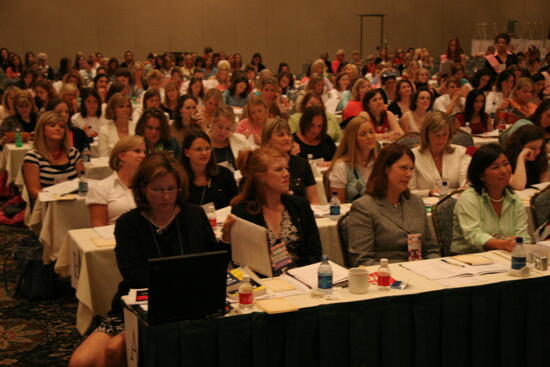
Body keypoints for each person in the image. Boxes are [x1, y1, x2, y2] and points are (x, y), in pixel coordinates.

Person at [69, 153, 222, 367]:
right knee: (80, 362)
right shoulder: (128, 224)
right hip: (137, 305)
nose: (166, 197)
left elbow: (211, 263)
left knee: (115, 349)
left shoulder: (194, 215)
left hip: (190, 304)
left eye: (171, 189)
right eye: (157, 190)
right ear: (142, 189)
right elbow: (132, 275)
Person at [229, 147, 322, 274]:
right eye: (279, 169)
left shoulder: (299, 205)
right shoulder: (243, 211)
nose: (286, 174)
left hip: (302, 278)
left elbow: (314, 252)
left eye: (286, 168)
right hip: (264, 284)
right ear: (260, 176)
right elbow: (241, 263)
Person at [345, 143, 440, 266]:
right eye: (403, 168)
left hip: (422, 272)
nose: (409, 174)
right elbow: (362, 260)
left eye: (411, 169)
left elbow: (432, 249)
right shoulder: (364, 207)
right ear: (385, 169)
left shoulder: (416, 203)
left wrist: (432, 267)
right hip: (386, 276)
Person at [451, 143, 531, 254]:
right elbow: (474, 234)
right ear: (481, 175)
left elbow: (524, 237)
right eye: (495, 167)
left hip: (505, 256)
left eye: (506, 164)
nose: (504, 171)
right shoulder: (469, 198)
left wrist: (517, 242)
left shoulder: (514, 200)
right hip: (469, 257)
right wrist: (503, 244)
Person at [22, 111, 84, 200]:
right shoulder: (33, 157)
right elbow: (34, 191)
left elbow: (82, 181)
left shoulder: (73, 153)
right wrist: (57, 199)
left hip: (73, 202)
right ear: (42, 130)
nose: (58, 128)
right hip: (47, 206)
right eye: (52, 125)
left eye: (61, 126)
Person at [87, 136, 145, 226]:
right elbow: (99, 228)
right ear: (122, 156)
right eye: (137, 151)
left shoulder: (148, 186)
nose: (143, 155)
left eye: (144, 152)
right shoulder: (101, 188)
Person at [409, 111, 470, 197]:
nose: (441, 140)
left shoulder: (460, 152)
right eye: (437, 135)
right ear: (426, 134)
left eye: (445, 134)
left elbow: (465, 183)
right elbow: (409, 191)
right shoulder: (413, 156)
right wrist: (428, 192)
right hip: (424, 204)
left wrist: (463, 189)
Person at [262, 118, 319, 203]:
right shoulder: (262, 165)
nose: (287, 138)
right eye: (281, 135)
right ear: (268, 139)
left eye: (289, 134)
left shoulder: (302, 164)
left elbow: (314, 200)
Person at [181, 129, 238, 209]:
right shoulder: (179, 180)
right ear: (186, 153)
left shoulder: (224, 174)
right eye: (199, 149)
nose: (204, 153)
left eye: (207, 148)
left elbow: (236, 204)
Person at [328, 116, 377, 203]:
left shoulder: (379, 163)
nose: (369, 137)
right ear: (353, 139)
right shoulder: (341, 166)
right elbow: (339, 206)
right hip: (352, 214)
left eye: (371, 132)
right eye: (363, 134)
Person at [504, 125, 548, 190]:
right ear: (519, 146)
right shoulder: (505, 160)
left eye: (540, 147)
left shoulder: (540, 158)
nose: (537, 152)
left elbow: (544, 185)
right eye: (533, 148)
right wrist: (521, 157)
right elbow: (519, 185)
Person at [209, 106, 250, 170]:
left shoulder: (240, 140)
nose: (223, 132)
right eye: (220, 127)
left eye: (228, 129)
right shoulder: (203, 141)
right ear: (213, 123)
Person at [98, 93, 136, 157]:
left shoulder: (136, 128)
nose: (125, 109)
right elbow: (103, 156)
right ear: (113, 110)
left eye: (128, 106)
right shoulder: (104, 131)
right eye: (121, 107)